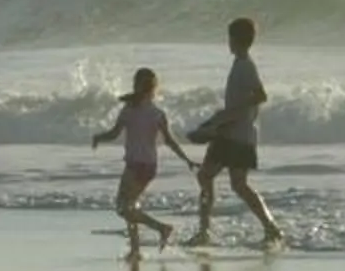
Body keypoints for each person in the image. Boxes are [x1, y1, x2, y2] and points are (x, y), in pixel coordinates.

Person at [188, 15, 285, 247]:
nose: (227, 42)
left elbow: (260, 96)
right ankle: (206, 231)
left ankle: (268, 227)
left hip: (238, 135)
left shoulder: (245, 66)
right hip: (230, 133)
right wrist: (215, 122)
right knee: (215, 178)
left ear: (235, 39)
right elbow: (238, 104)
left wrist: (221, 120)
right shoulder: (240, 63)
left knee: (228, 182)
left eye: (229, 38)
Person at [91, 66, 193, 252]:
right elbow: (170, 142)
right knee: (130, 206)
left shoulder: (129, 110)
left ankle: (161, 228)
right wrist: (187, 159)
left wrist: (99, 137)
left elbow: (114, 134)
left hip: (136, 166)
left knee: (123, 208)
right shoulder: (157, 114)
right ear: (153, 89)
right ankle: (135, 248)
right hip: (149, 167)